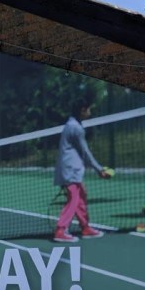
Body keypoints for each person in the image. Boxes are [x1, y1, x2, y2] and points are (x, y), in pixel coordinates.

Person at [53, 98, 111, 243]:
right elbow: (85, 152)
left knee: (81, 196)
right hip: (70, 170)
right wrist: (99, 169)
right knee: (73, 199)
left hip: (72, 170)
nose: (90, 112)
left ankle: (85, 227)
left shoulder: (73, 124)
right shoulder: (75, 128)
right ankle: (60, 230)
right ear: (82, 110)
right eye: (88, 109)